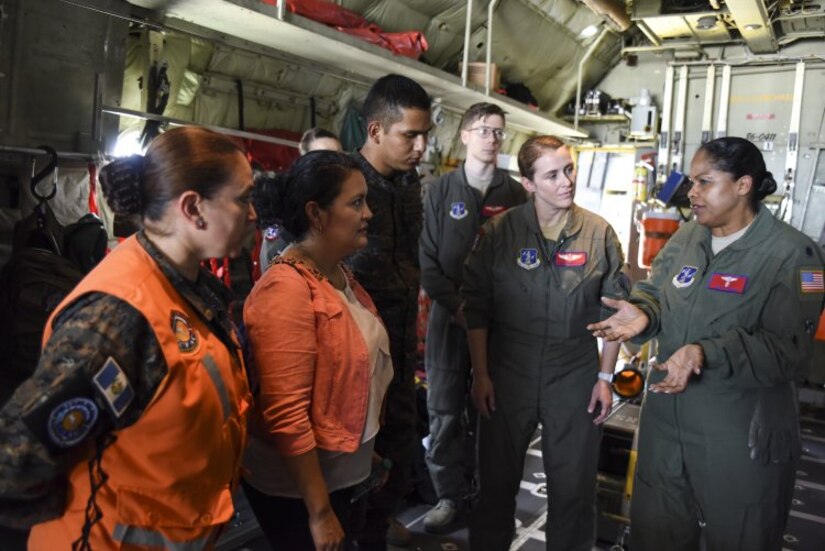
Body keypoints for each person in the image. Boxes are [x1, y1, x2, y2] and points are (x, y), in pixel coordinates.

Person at [0, 126, 256, 549]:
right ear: (193, 208)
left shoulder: (189, 289)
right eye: (243, 198)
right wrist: (87, 513)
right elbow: (16, 461)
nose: (252, 214)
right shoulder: (119, 315)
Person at [588, 137, 825, 551]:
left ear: (743, 185)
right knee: (657, 535)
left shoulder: (794, 254)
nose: (691, 193)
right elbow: (656, 292)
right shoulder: (686, 238)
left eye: (704, 182)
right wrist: (643, 312)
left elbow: (790, 352)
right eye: (692, 182)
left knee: (741, 537)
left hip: (739, 433)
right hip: (667, 425)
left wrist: (706, 352)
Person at [462, 135, 629, 551]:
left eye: (569, 169)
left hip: (573, 370)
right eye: (552, 175)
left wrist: (604, 377)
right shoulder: (499, 233)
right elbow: (477, 308)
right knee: (495, 485)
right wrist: (481, 375)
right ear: (529, 183)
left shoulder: (598, 234)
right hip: (507, 369)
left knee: (573, 488)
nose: (566, 181)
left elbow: (615, 312)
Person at [242, 150, 393, 551]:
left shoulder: (339, 274)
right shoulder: (286, 291)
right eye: (356, 203)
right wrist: (320, 512)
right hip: (300, 494)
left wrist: (365, 450)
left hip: (342, 475)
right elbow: (287, 414)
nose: (368, 214)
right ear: (317, 213)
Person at [419, 102, 527, 533]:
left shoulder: (515, 195)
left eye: (499, 132)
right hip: (450, 320)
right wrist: (459, 308)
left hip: (499, 325)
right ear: (464, 136)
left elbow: (525, 261)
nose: (492, 139)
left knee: (490, 410)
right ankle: (449, 496)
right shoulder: (441, 192)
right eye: (483, 130)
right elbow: (428, 261)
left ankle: (487, 496)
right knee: (444, 409)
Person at [347, 73, 431, 550]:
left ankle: (376, 535)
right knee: (353, 478)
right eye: (410, 136)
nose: (420, 147)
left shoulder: (409, 182)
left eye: (425, 136)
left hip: (397, 356)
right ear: (376, 131)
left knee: (395, 464)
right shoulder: (345, 183)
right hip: (355, 363)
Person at [259, 128, 343, 271]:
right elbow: (272, 259)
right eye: (322, 157)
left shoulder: (348, 202)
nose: (334, 164)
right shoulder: (288, 208)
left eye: (339, 156)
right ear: (304, 161)